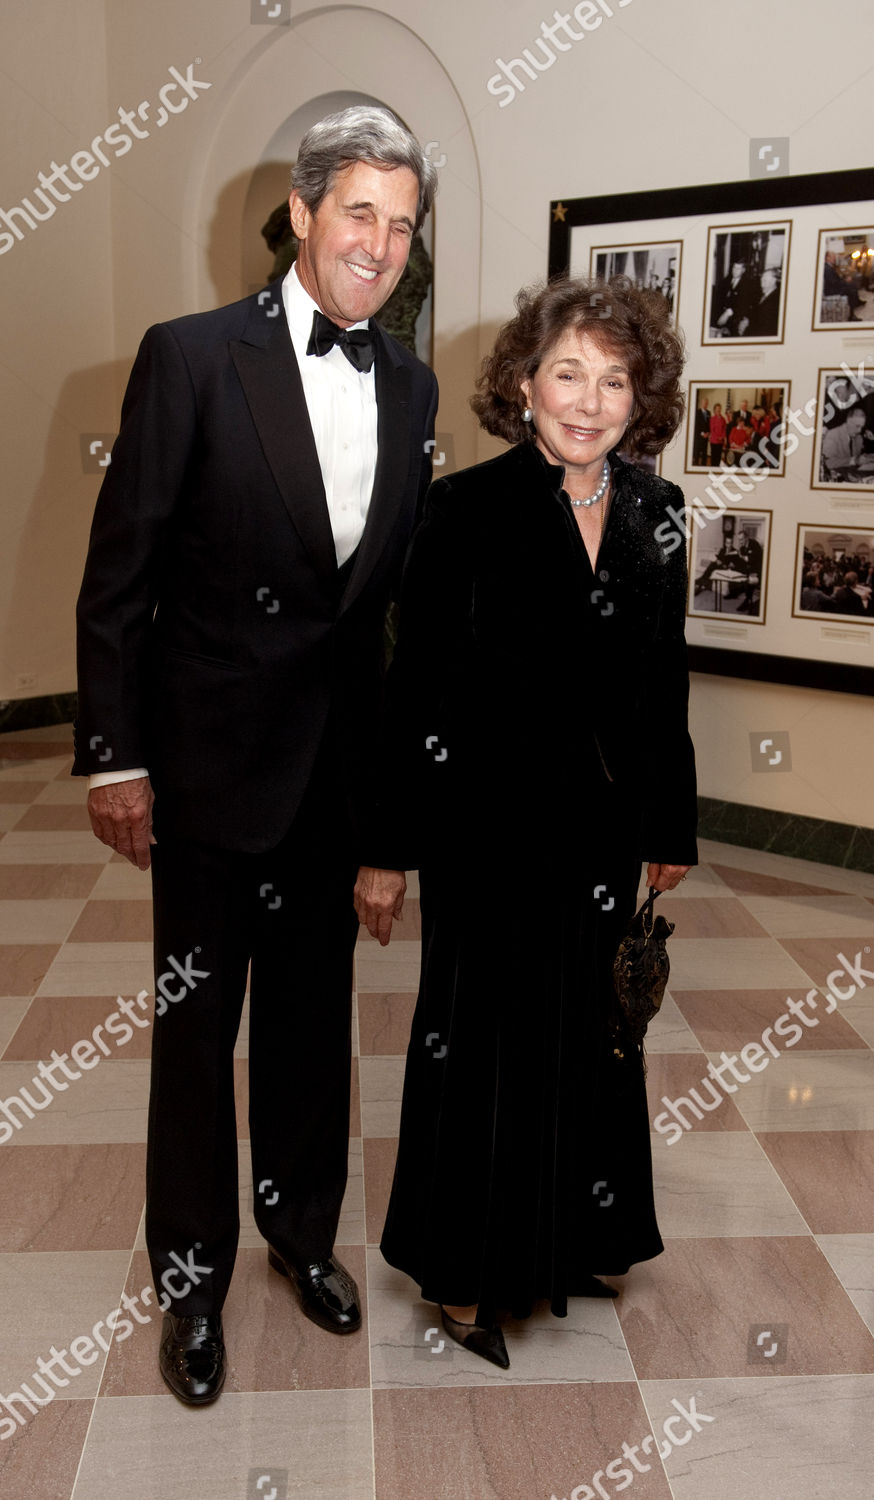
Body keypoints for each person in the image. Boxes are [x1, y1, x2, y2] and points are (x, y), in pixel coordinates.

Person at [73, 105, 439, 1405]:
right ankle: (192, 1287)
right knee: (194, 1037)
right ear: (299, 212)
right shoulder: (186, 360)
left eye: (401, 226)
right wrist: (116, 757)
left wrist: (392, 815)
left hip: (333, 778)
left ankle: (297, 1238)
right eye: (359, 214)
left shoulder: (410, 383)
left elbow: (384, 621)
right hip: (210, 770)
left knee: (305, 1031)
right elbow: (122, 576)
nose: (380, 245)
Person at [372, 276, 698, 1369]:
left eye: (616, 379)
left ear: (638, 400)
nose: (589, 399)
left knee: (592, 1036)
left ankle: (574, 1235)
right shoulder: (463, 509)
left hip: (603, 834)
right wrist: (384, 849)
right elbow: (411, 691)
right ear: (524, 382)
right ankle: (465, 1274)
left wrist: (670, 825)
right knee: (484, 1046)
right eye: (569, 372)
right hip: (485, 833)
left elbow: (663, 685)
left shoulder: (657, 513)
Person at [820, 406, 870, 480]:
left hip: (853, 477)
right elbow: (828, 463)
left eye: (861, 427)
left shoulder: (859, 438)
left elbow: (856, 462)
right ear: (848, 422)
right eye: (857, 426)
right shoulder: (832, 434)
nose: (859, 430)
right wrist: (855, 460)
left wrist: (866, 458)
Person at [693, 392, 711, 466]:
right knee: (697, 451)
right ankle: (696, 464)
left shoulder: (709, 412)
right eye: (704, 403)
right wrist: (702, 433)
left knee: (704, 452)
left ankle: (703, 465)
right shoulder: (697, 412)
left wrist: (708, 433)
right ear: (701, 403)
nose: (705, 404)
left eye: (707, 403)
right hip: (699, 435)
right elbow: (696, 425)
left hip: (706, 436)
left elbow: (709, 424)